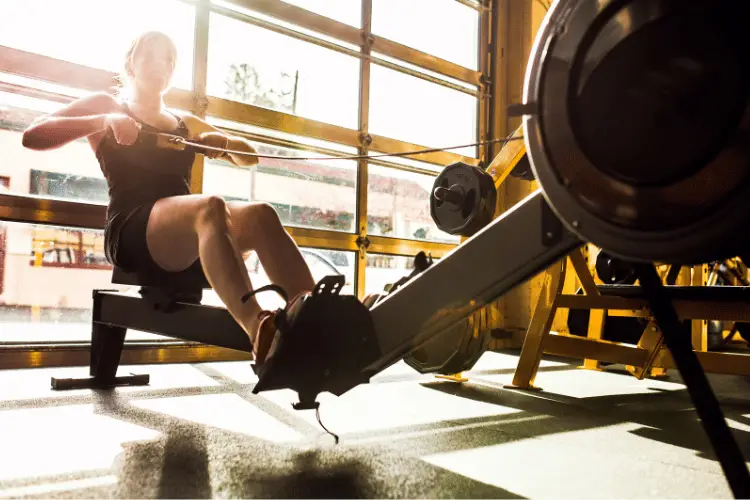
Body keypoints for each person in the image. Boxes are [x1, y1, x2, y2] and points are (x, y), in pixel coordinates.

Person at [21, 30, 315, 365]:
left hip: (189, 232)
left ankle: (315, 315)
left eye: (168, 59)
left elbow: (250, 157)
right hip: (132, 231)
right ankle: (259, 330)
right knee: (210, 206)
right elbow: (34, 135)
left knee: (261, 214)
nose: (159, 64)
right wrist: (106, 121)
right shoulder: (108, 105)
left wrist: (223, 143)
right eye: (150, 56)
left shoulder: (183, 122)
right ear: (130, 63)